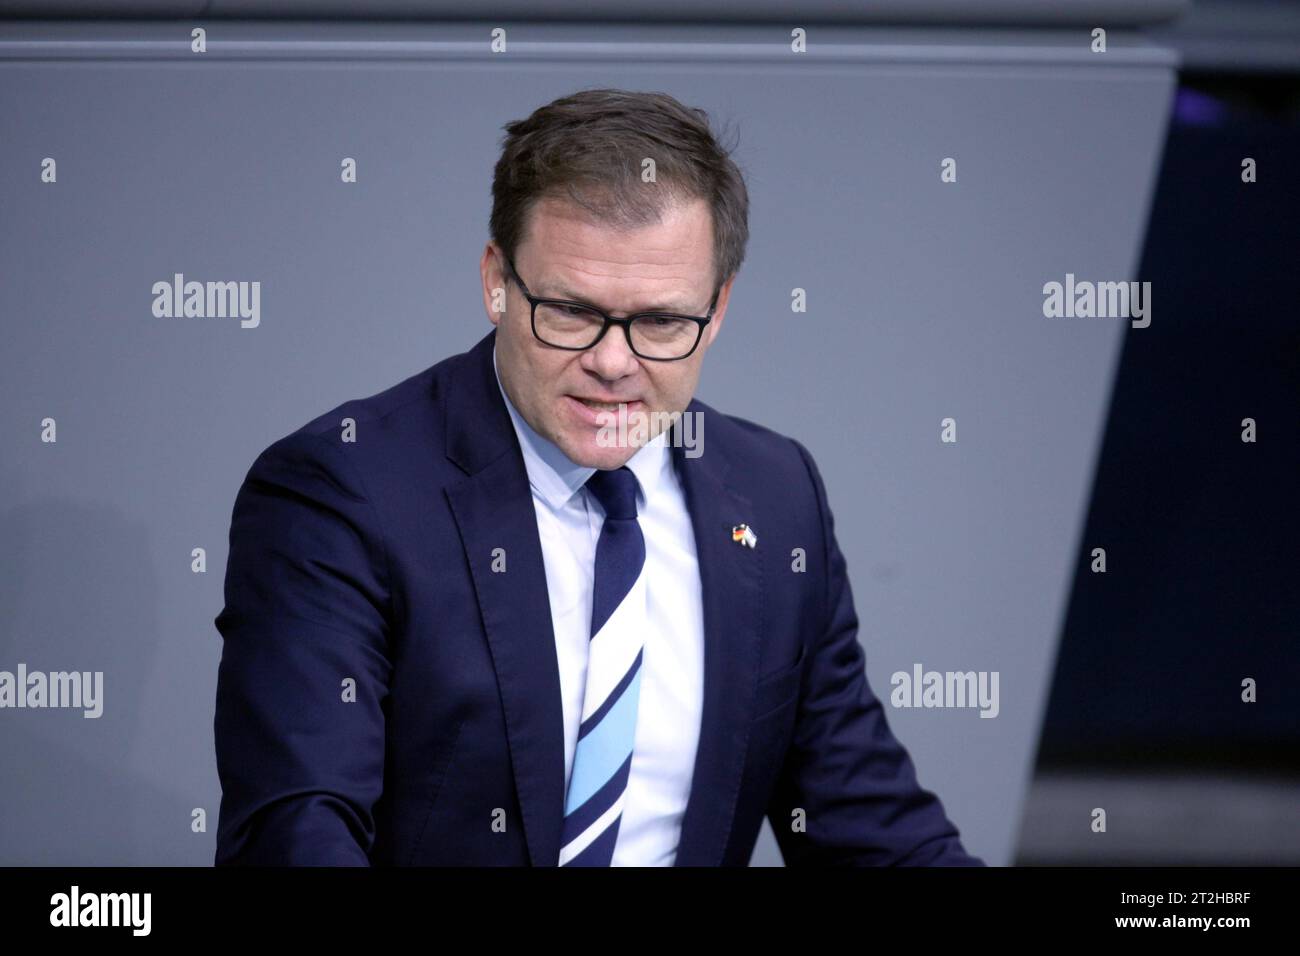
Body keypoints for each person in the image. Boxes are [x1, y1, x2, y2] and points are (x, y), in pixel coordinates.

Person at [213, 87, 984, 867]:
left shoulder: (777, 497)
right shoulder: (341, 494)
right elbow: (296, 833)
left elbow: (875, 834)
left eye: (659, 323)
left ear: (716, 312)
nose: (613, 364)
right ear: (496, 281)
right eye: (572, 312)